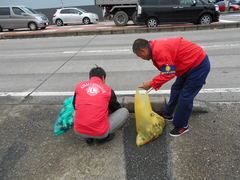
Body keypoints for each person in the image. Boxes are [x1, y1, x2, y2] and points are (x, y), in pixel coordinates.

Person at [132, 37, 210, 137]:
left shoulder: (159, 51)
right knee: (176, 89)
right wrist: (153, 84)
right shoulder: (154, 48)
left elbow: (168, 73)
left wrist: (151, 84)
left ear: (143, 50)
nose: (142, 58)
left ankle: (182, 126)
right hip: (186, 65)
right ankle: (168, 114)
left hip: (198, 66)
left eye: (140, 56)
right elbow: (167, 70)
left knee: (185, 97)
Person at [73, 66, 129, 144]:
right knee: (124, 111)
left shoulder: (79, 86)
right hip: (100, 133)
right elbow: (116, 108)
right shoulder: (108, 90)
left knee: (78, 110)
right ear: (103, 78)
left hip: (78, 131)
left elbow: (74, 105)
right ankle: (103, 138)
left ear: (90, 77)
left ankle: (88, 137)